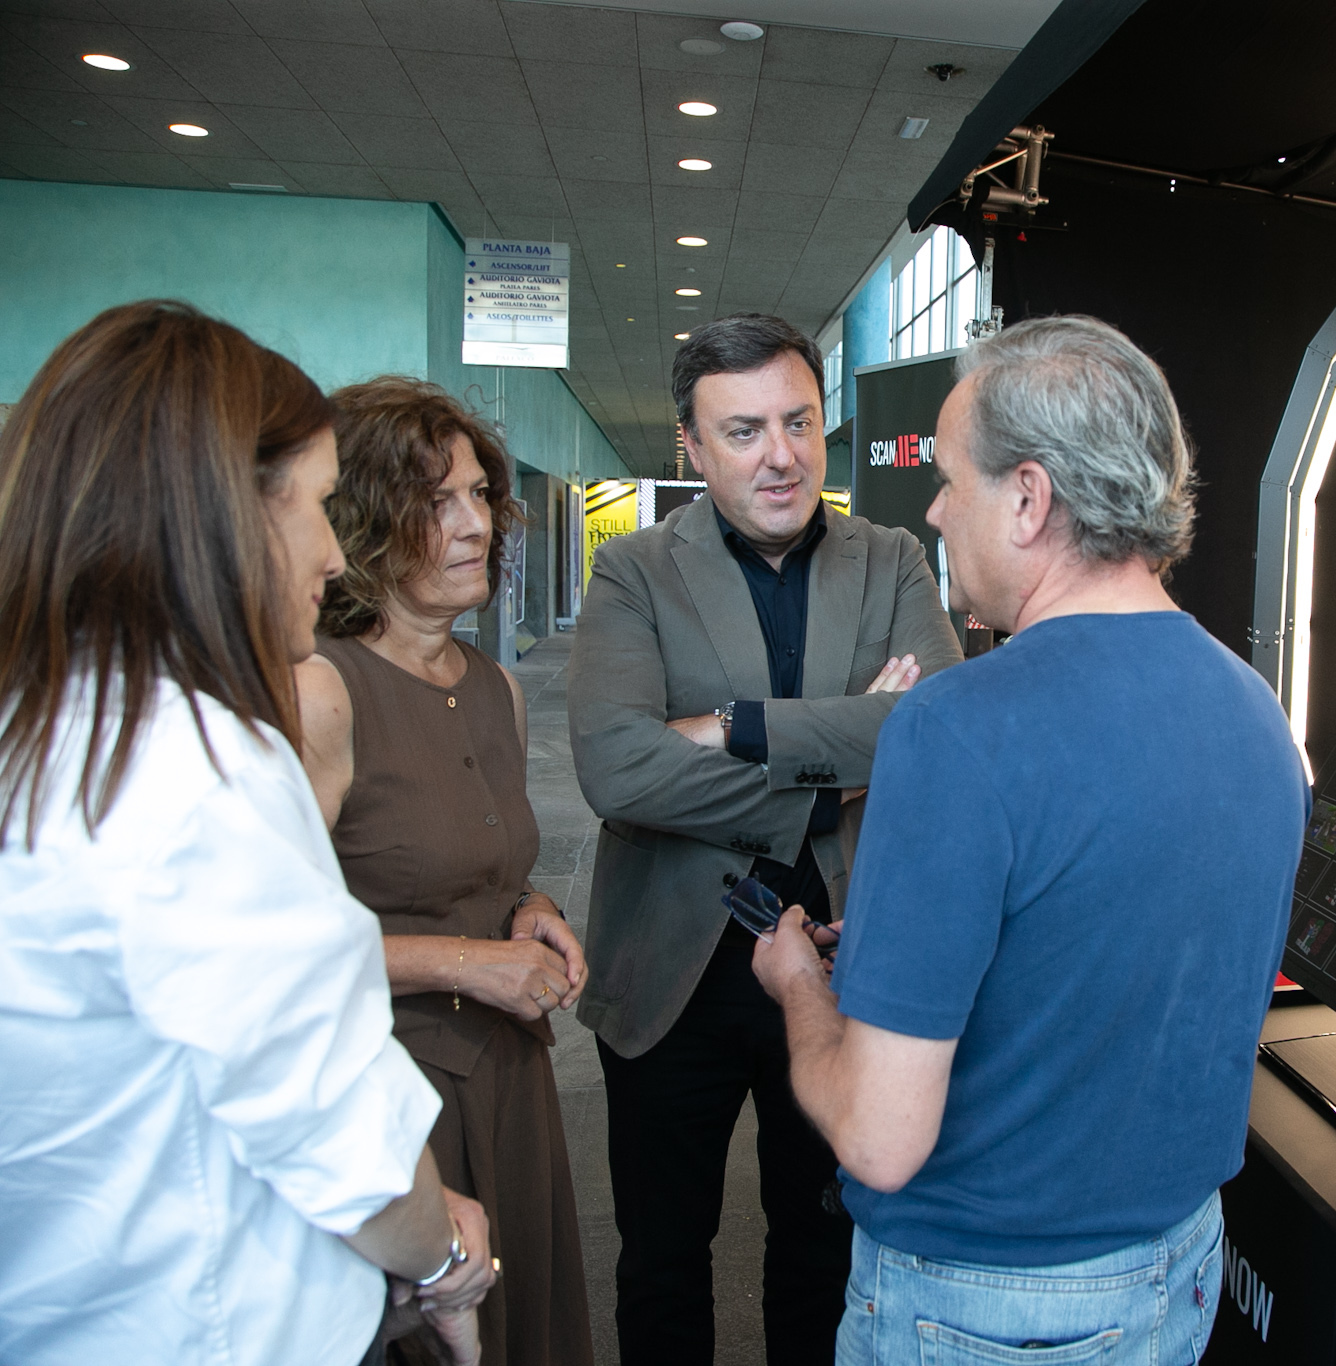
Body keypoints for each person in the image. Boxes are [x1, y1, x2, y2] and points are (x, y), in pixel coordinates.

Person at [751, 315, 1309, 1364]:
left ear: (1028, 498)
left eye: (947, 479)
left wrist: (797, 988)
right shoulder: (1255, 709)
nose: (932, 509)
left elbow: (877, 1137)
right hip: (1180, 1270)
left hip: (982, 1309)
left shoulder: (953, 728)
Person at [0, 301, 494, 1365]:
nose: (332, 553)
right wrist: (445, 1260)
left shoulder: (40, 729)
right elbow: (340, 1136)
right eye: (314, 504)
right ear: (219, 518)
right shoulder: (197, 769)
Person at [566, 313, 963, 1364]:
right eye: (743, 432)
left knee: (821, 1253)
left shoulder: (891, 560)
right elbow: (616, 767)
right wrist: (833, 767)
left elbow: (933, 727)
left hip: (841, 967)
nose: (780, 455)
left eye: (797, 422)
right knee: (661, 1259)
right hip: (672, 973)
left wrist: (729, 727)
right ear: (693, 448)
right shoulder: (633, 572)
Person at [295, 377, 594, 1366]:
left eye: (480, 496)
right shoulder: (320, 691)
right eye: (436, 502)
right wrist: (469, 963)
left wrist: (530, 907)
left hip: (510, 1076)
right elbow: (271, 958)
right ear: (364, 522)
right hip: (390, 1093)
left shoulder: (496, 687)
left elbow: (479, 864)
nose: (475, 524)